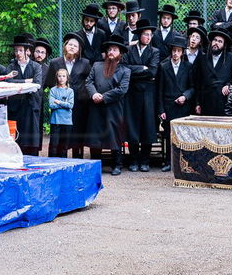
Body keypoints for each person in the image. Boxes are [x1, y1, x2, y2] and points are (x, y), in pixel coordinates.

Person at [84, 33, 131, 174]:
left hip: (114, 107)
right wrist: (94, 94)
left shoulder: (125, 70)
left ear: (120, 53)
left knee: (114, 135)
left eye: (115, 50)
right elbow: (89, 81)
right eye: (109, 49)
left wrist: (103, 97)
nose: (111, 52)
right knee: (95, 135)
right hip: (96, 106)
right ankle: (95, 164)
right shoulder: (97, 65)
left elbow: (122, 89)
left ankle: (117, 164)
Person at [44, 34, 92, 159]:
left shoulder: (85, 63)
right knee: (58, 137)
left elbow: (89, 82)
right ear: (65, 46)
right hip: (60, 108)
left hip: (79, 105)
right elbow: (49, 82)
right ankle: (58, 161)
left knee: (77, 135)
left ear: (79, 49)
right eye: (70, 44)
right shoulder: (55, 63)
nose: (72, 47)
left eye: (75, 46)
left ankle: (77, 161)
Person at [124, 23, 160, 171]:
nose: (148, 37)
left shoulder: (155, 51)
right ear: (139, 35)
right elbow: (124, 68)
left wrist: (135, 71)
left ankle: (145, 160)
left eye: (150, 35)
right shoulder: (129, 49)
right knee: (132, 126)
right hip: (132, 94)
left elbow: (152, 72)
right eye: (146, 34)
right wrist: (141, 68)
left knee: (147, 126)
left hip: (148, 94)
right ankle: (133, 160)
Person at [158, 35, 194, 171]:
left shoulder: (188, 66)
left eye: (178, 51)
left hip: (183, 106)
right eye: (174, 50)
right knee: (168, 135)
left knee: (182, 135)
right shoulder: (163, 66)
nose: (175, 54)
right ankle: (168, 162)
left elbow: (192, 87)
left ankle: (182, 161)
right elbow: (159, 90)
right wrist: (161, 110)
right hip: (168, 106)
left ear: (182, 52)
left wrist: (185, 96)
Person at [7, 34, 45, 157]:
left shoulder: (36, 66)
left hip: (31, 107)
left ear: (26, 51)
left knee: (31, 142)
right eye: (16, 50)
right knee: (16, 141)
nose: (17, 53)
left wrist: (21, 86)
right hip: (16, 108)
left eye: (20, 50)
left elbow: (37, 85)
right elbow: (9, 83)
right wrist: (25, 82)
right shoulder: (11, 66)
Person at [195, 28, 232, 116]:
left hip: (224, 102)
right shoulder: (202, 58)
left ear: (224, 45)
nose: (216, 43)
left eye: (220, 41)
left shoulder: (231, 58)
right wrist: (197, 103)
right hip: (206, 102)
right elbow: (197, 82)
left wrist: (229, 85)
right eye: (215, 40)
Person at [47, 68, 76, 158]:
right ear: (57, 77)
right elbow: (51, 105)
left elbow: (70, 105)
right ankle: (51, 164)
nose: (61, 78)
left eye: (64, 76)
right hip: (55, 121)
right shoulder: (53, 90)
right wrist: (64, 104)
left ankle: (63, 164)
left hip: (67, 122)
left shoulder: (70, 91)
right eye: (59, 76)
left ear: (67, 78)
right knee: (54, 145)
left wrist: (58, 102)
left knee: (64, 146)